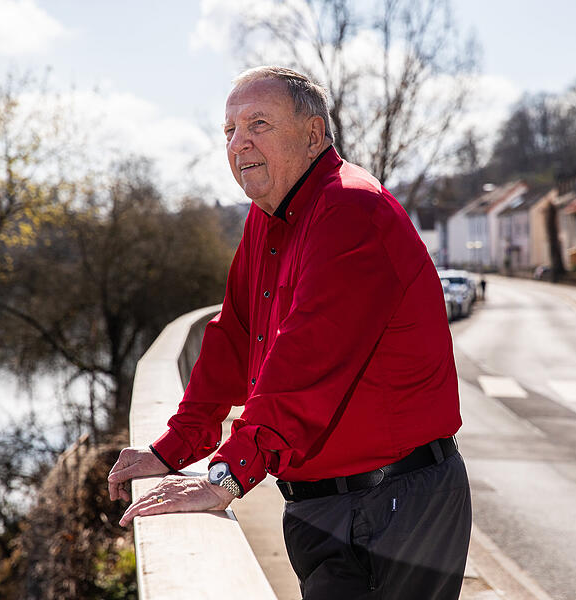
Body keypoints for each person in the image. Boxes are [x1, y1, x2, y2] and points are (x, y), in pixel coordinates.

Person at [107, 66, 471, 599]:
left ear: (314, 135)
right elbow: (234, 337)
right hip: (321, 506)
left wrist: (227, 476)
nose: (239, 142)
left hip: (394, 505)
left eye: (259, 123)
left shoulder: (351, 210)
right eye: (229, 130)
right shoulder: (267, 218)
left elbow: (306, 361)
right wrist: (172, 448)